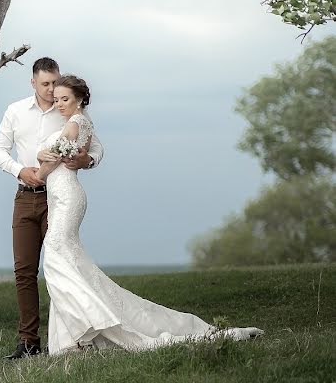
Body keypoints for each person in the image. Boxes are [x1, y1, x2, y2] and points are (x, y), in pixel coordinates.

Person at [36, 75, 263, 354]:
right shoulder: (82, 122)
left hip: (67, 196)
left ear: (80, 98)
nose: (59, 104)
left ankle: (86, 328)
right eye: (56, 99)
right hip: (61, 197)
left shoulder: (73, 124)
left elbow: (57, 161)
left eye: (65, 99)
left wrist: (38, 171)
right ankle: (74, 337)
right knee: (68, 262)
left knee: (56, 254)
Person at [0, 58, 104, 359]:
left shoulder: (68, 110)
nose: (52, 89)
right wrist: (18, 170)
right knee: (24, 270)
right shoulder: (15, 111)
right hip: (25, 197)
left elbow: (96, 148)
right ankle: (29, 342)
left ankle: (73, 332)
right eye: (45, 84)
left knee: (59, 263)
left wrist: (85, 161)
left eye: (55, 83)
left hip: (57, 199)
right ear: (33, 83)